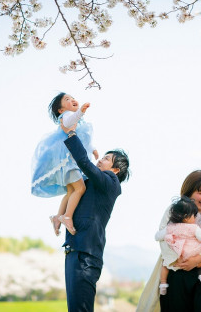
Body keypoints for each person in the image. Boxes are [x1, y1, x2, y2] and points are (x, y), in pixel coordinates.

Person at [137, 170, 201, 312]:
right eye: (200, 192)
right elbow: (164, 235)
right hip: (177, 270)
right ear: (189, 192)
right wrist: (182, 259)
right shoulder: (173, 210)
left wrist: (198, 260)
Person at [61, 130, 130, 312]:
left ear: (116, 170)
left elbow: (84, 163)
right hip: (75, 251)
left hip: (86, 255)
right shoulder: (94, 184)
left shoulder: (111, 182)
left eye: (107, 159)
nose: (101, 160)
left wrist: (71, 134)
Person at [31, 92, 99, 236]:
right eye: (67, 99)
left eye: (72, 97)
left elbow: (85, 141)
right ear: (60, 110)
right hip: (69, 163)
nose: (72, 100)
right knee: (80, 189)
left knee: (70, 191)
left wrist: (93, 149)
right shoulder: (67, 116)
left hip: (69, 163)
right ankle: (67, 216)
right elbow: (70, 121)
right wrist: (81, 111)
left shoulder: (79, 122)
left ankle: (57, 217)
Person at [155, 196, 201, 295]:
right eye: (194, 215)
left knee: (165, 264)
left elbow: (157, 237)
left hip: (177, 254)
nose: (195, 217)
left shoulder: (170, 227)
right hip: (192, 253)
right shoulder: (194, 228)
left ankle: (163, 283)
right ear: (187, 217)